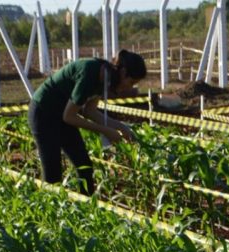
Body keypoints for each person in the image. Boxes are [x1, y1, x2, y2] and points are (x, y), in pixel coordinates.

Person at [28, 49, 147, 195]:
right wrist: (106, 131)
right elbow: (69, 116)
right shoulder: (91, 74)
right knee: (53, 175)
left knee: (84, 165)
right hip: (43, 114)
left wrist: (122, 127)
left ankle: (86, 209)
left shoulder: (105, 79)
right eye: (131, 82)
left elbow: (89, 112)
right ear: (123, 73)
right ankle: (50, 213)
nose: (131, 87)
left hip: (62, 114)